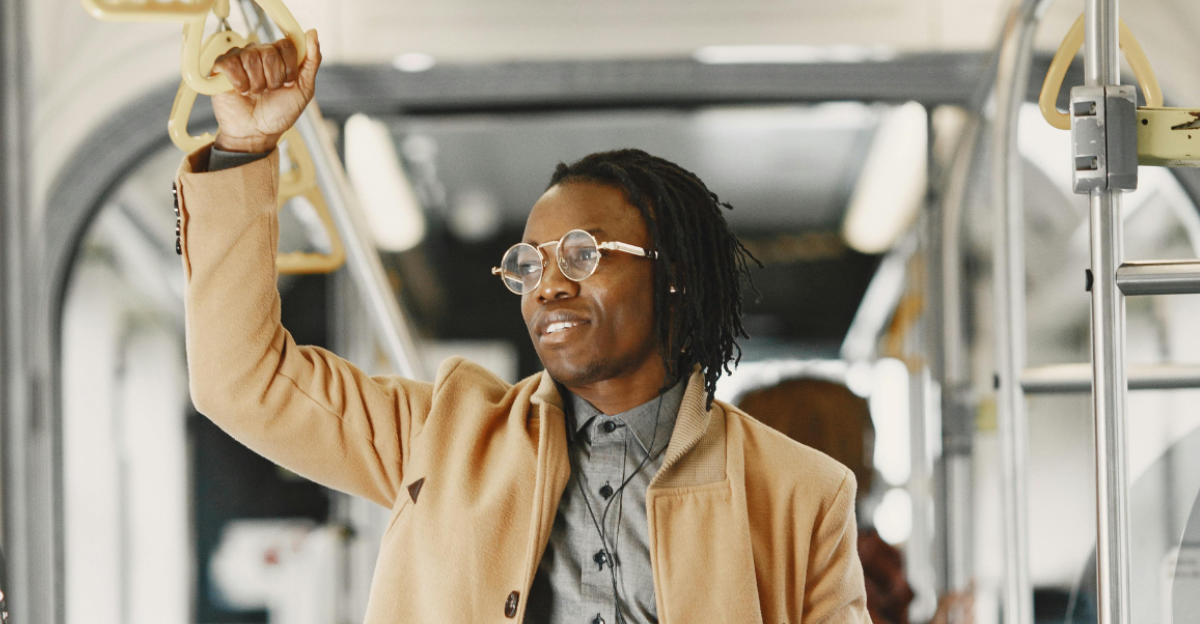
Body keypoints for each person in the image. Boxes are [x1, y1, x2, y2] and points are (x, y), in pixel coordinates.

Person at [176, 28, 871, 623]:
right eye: (528, 264)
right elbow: (242, 381)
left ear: (673, 270)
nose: (550, 285)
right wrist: (243, 148)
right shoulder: (441, 439)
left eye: (583, 254)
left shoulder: (801, 495)